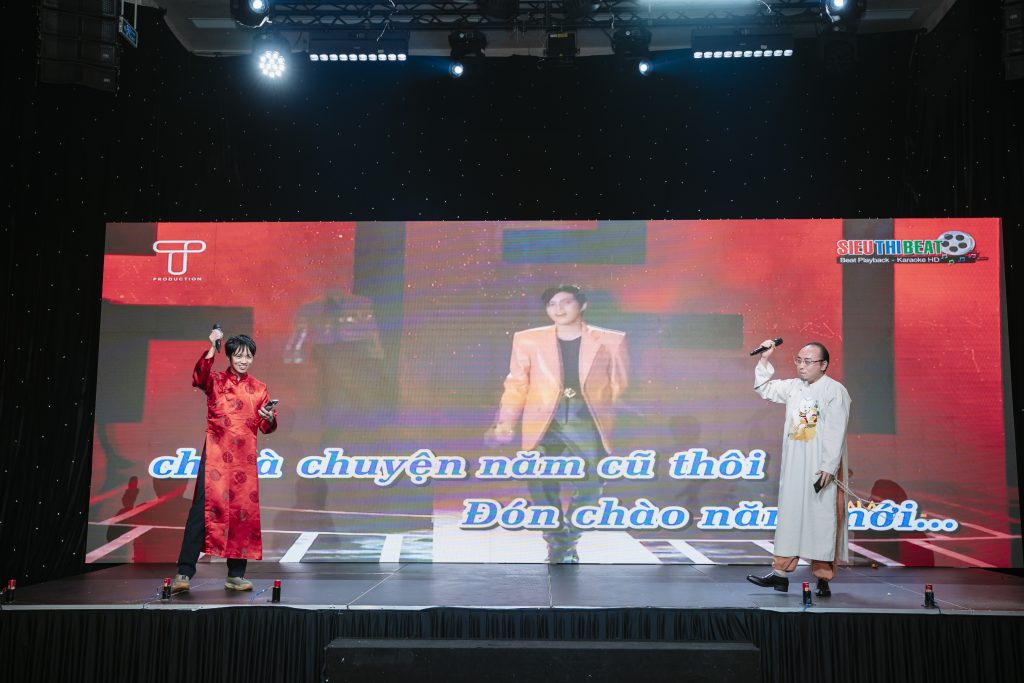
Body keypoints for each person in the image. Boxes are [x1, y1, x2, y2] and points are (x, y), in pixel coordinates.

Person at [489, 285, 628, 563]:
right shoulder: (527, 340)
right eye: (552, 304)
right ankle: (557, 544)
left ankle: (568, 539)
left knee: (591, 484)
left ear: (582, 305)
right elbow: (517, 385)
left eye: (566, 302)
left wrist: (613, 421)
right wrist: (506, 421)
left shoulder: (611, 340)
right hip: (543, 418)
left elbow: (620, 386)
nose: (559, 308)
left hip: (585, 417)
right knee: (540, 482)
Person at [172, 329, 277, 592]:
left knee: (243, 514)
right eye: (239, 356)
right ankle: (184, 572)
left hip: (244, 461)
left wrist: (268, 417)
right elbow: (199, 377)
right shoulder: (216, 380)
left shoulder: (259, 388)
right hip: (216, 457)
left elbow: (267, 427)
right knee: (201, 512)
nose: (244, 360)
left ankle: (235, 575)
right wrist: (212, 346)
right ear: (229, 356)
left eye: (248, 356)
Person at [747, 339, 851, 596]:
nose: (802, 366)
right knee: (790, 515)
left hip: (820, 466)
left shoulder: (834, 391)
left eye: (808, 362)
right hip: (795, 463)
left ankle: (823, 578)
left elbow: (836, 430)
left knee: (822, 518)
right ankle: (780, 573)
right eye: (799, 361)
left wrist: (829, 465)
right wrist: (765, 358)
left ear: (823, 365)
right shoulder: (794, 387)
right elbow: (764, 388)